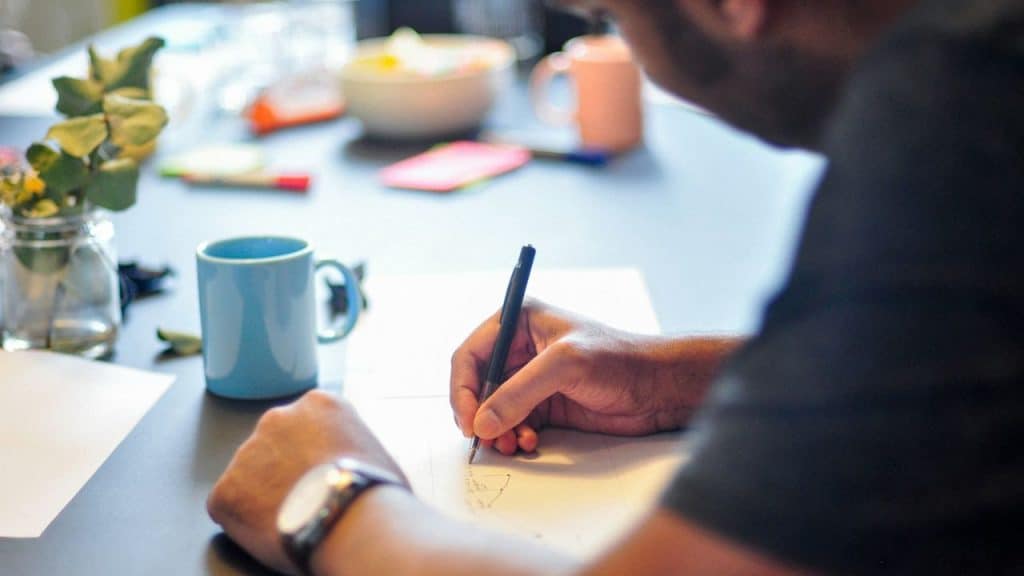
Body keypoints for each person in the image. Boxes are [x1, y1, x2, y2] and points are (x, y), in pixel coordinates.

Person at [207, 0, 1024, 574]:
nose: (631, 50)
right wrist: (674, 378)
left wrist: (337, 500)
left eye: (614, 19)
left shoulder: (962, 111)